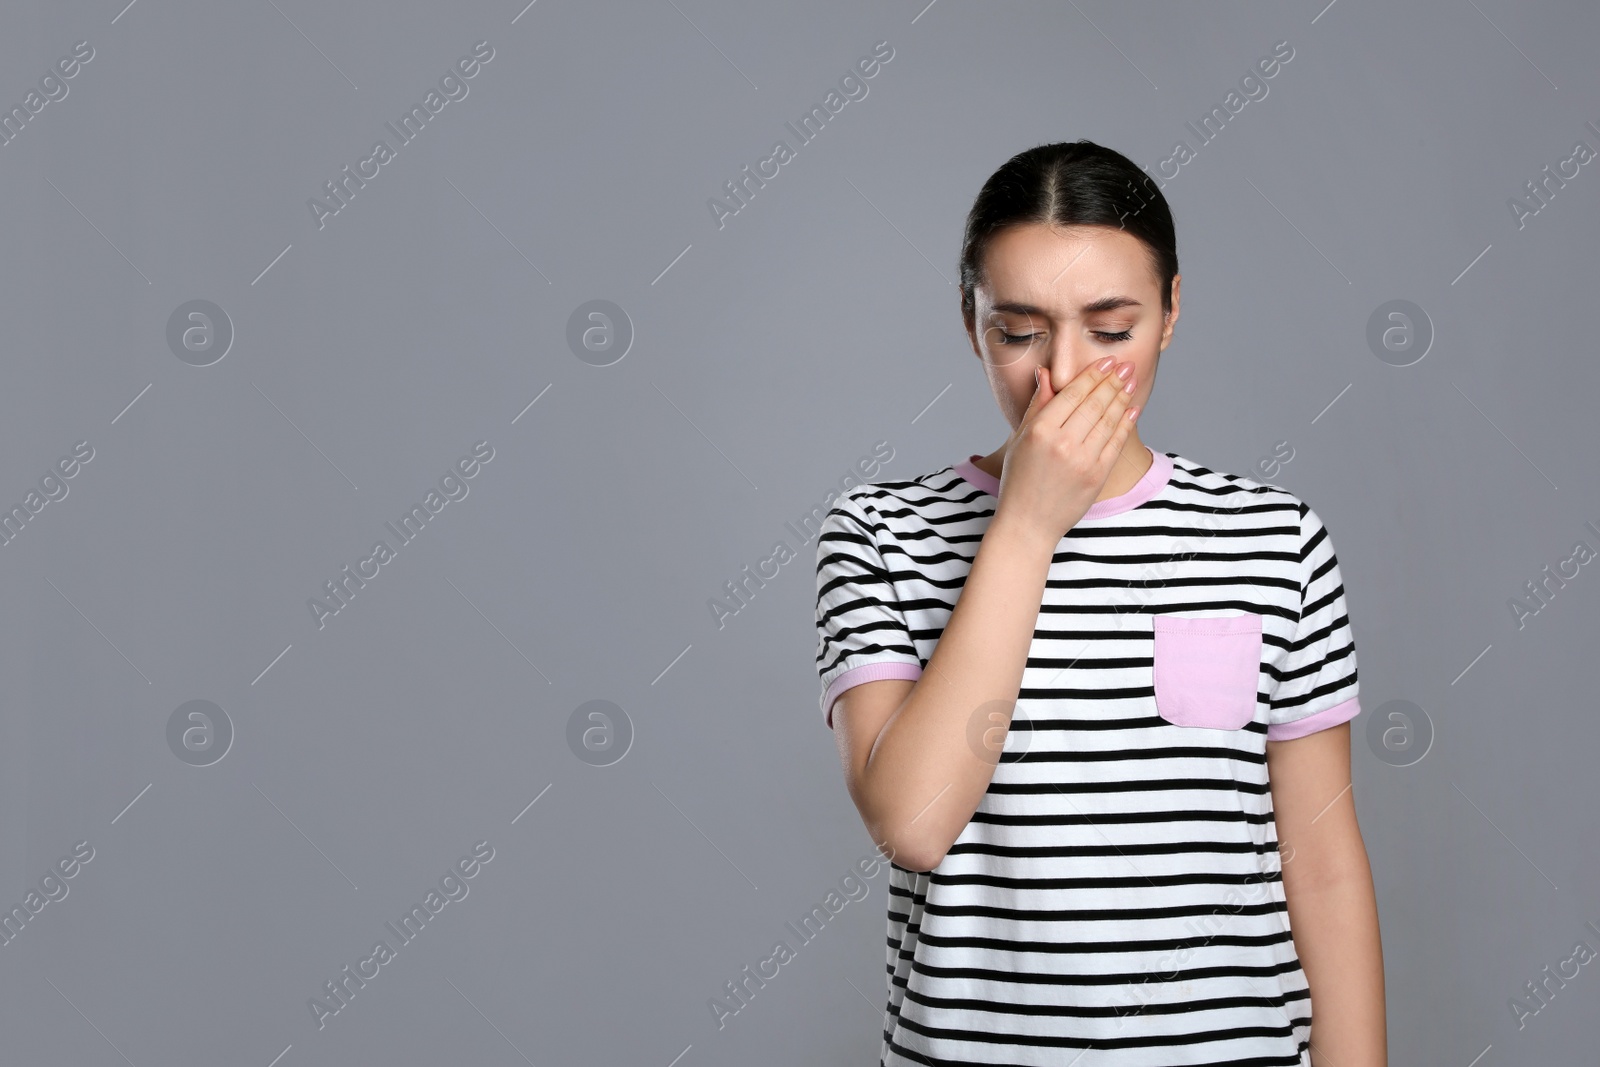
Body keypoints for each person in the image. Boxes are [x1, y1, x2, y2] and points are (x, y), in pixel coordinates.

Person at [814, 140, 1386, 1066]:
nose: (1065, 376)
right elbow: (913, 824)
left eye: (1111, 329)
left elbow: (1322, 868)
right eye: (1019, 330)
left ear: (1169, 314)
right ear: (972, 324)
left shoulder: (1275, 540)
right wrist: (1027, 525)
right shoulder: (883, 534)